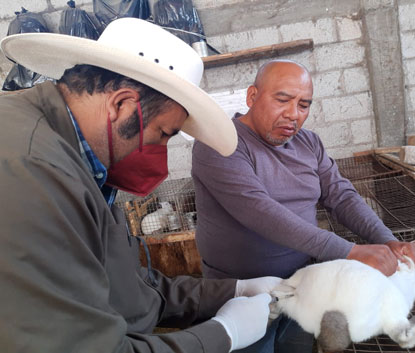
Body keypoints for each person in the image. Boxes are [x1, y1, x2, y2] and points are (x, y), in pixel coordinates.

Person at [0, 18, 283, 353]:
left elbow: (130, 289)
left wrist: (232, 291)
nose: (160, 155)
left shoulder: (84, 161)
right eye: (163, 135)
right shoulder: (35, 170)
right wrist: (224, 334)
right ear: (122, 106)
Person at [191, 60, 415, 352]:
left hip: (304, 287)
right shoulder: (221, 143)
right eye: (282, 100)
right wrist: (350, 252)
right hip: (241, 292)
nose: (293, 114)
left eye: (304, 105)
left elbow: (341, 195)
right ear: (252, 96)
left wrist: (388, 241)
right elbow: (260, 211)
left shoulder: (309, 143)